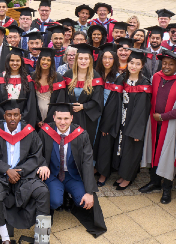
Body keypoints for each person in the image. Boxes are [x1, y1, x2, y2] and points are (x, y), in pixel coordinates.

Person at [0, 98, 56, 244]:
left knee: (43, 191)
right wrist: (7, 169)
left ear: (21, 115)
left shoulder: (29, 132)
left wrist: (19, 172)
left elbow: (36, 155)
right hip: (0, 176)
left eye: (15, 114)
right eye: (9, 115)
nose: (12, 118)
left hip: (24, 176)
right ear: (4, 116)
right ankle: (6, 240)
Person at [39, 102, 107, 237]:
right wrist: (42, 164)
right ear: (54, 117)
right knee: (54, 201)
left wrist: (89, 192)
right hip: (53, 176)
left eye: (66, 118)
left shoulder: (81, 135)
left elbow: (87, 163)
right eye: (59, 118)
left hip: (72, 176)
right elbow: (36, 152)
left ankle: (70, 198)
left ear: (71, 118)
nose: (62, 122)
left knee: (84, 202)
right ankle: (60, 198)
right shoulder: (45, 132)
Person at [141, 50, 176, 204]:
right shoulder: (156, 77)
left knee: (168, 155)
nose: (166, 66)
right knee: (154, 152)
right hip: (153, 123)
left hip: (171, 124)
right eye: (164, 63)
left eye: (171, 64)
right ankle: (154, 182)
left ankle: (166, 189)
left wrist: (163, 116)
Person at [109, 50, 152, 190]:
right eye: (131, 62)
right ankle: (122, 174)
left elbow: (143, 110)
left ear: (142, 66)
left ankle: (128, 177)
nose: (133, 66)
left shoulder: (144, 83)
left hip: (134, 124)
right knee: (121, 149)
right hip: (121, 120)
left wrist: (137, 132)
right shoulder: (122, 79)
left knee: (131, 151)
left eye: (137, 64)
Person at [63, 44, 104, 148]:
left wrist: (83, 106)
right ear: (76, 60)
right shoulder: (68, 75)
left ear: (90, 60)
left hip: (87, 117)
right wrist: (69, 107)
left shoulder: (96, 77)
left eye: (86, 59)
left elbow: (97, 100)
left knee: (85, 143)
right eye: (80, 58)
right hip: (70, 116)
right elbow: (63, 96)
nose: (83, 61)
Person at [93, 44, 119, 185]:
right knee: (94, 143)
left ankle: (104, 173)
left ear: (115, 60)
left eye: (110, 58)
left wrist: (107, 124)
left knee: (105, 146)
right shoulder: (96, 74)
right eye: (104, 57)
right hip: (94, 115)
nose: (107, 60)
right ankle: (95, 167)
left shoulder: (117, 78)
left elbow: (115, 104)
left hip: (108, 118)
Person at [0, 47, 35, 125]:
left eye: (18, 61)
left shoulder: (27, 79)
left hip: (22, 122)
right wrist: (6, 118)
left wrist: (21, 119)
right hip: (3, 121)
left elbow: (30, 104)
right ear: (8, 61)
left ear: (21, 62)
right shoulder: (0, 78)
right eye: (12, 60)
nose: (15, 63)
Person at [32, 48, 67, 128]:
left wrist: (50, 120)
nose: (45, 62)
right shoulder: (33, 77)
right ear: (39, 60)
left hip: (52, 117)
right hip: (36, 115)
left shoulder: (58, 78)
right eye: (43, 59)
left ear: (51, 62)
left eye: (48, 60)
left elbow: (60, 101)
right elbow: (31, 100)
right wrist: (37, 120)